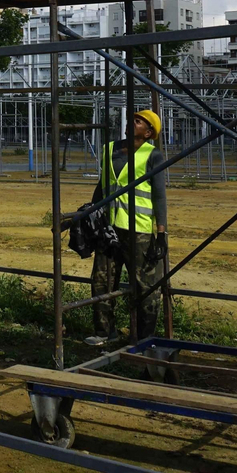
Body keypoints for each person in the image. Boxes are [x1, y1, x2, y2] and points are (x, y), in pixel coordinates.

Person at [87, 109, 165, 347]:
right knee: (102, 280)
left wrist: (161, 232)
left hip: (139, 230)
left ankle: (144, 338)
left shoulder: (153, 156)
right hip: (109, 227)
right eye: (133, 119)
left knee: (146, 286)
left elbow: (159, 196)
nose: (133, 123)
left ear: (149, 132)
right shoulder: (109, 149)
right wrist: (91, 212)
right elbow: (103, 184)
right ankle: (104, 332)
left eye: (139, 121)